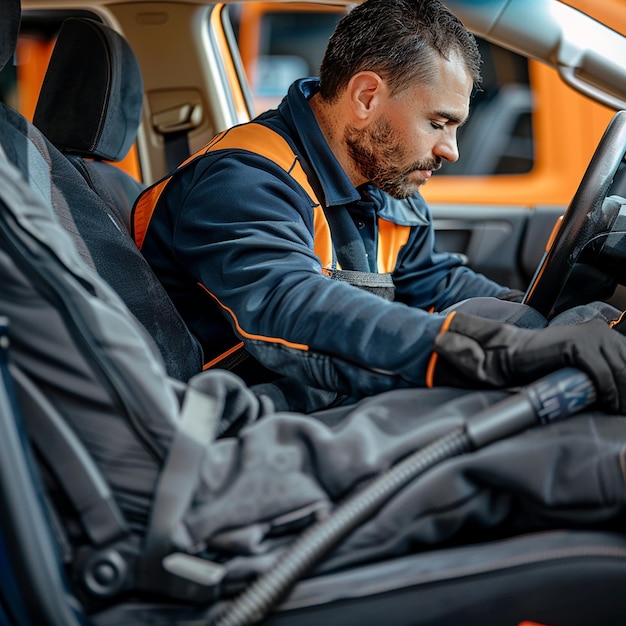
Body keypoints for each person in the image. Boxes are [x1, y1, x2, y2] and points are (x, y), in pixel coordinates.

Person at [133, 0, 626, 414]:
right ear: (367, 96)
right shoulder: (241, 181)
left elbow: (434, 286)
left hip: (330, 401)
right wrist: (503, 351)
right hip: (244, 423)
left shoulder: (383, 178)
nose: (451, 150)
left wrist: (541, 318)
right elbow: (291, 306)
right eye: (438, 123)